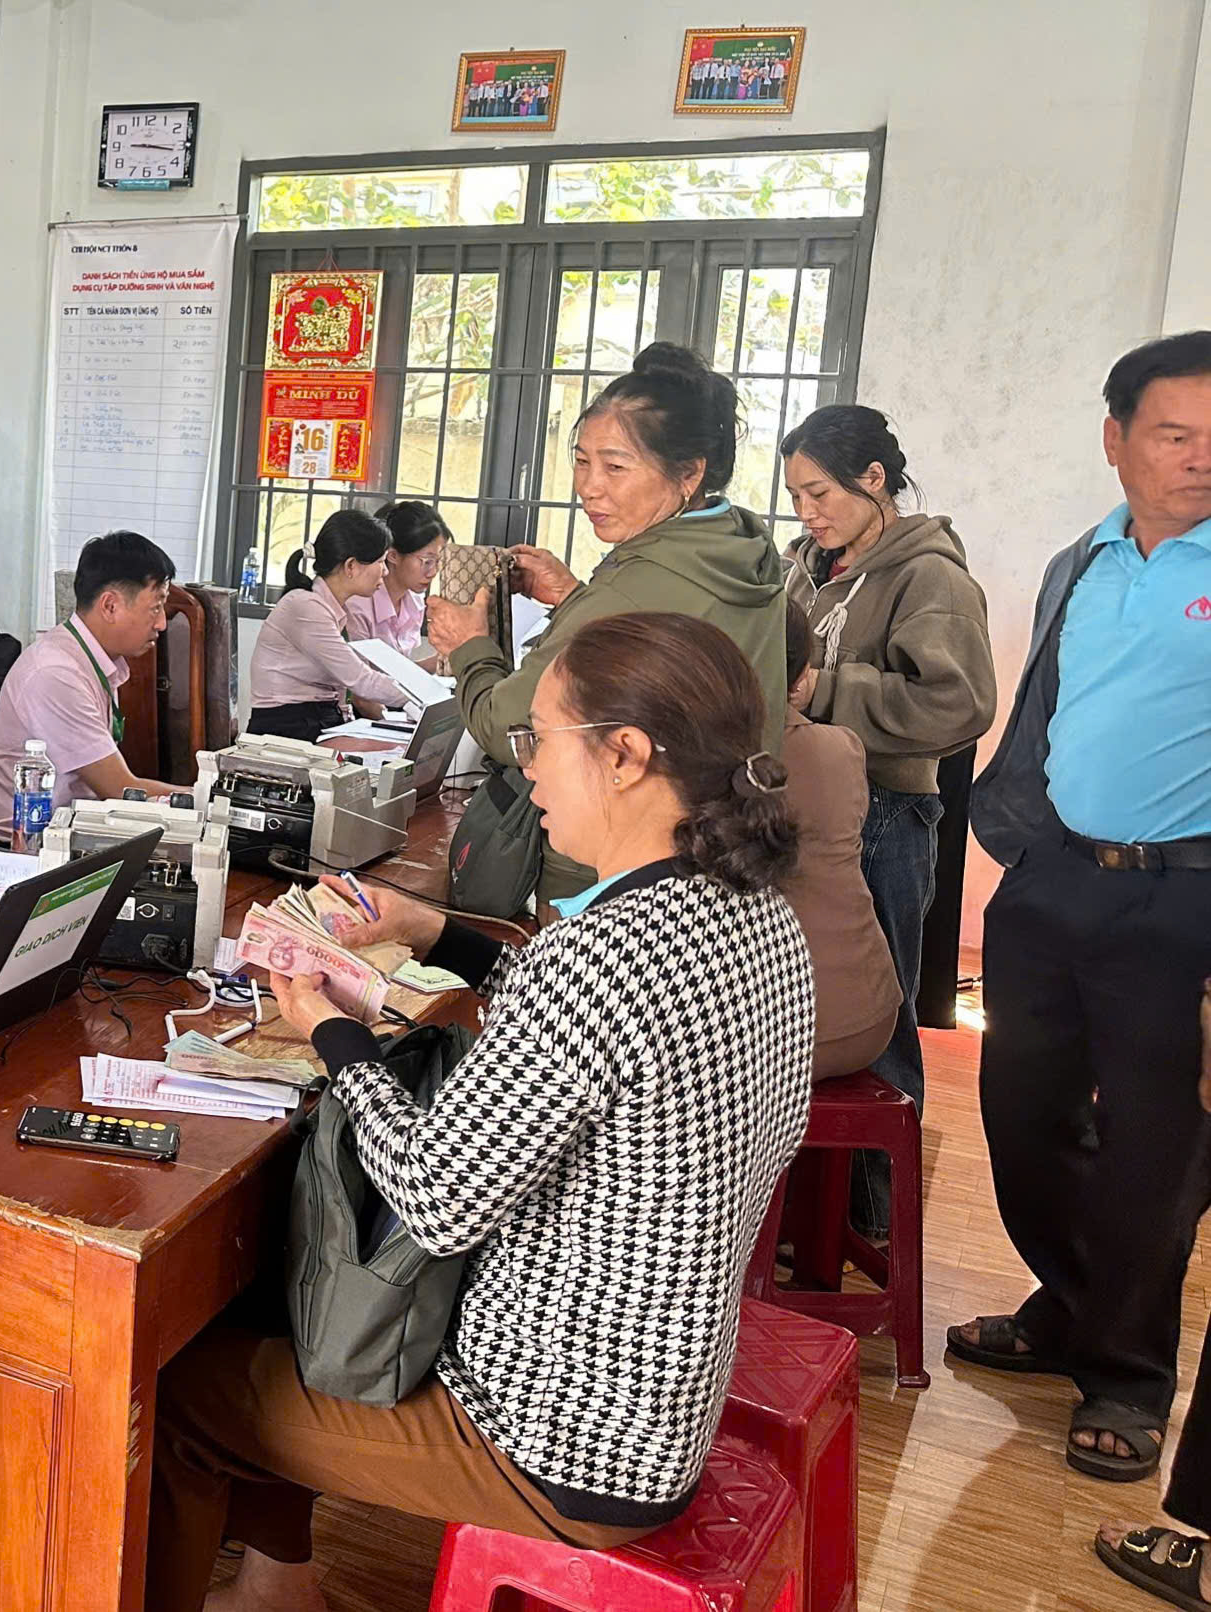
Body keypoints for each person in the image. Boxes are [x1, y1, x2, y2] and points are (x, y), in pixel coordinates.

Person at [145, 612, 813, 1612]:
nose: (526, 766)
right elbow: (584, 1031)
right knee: (287, 1296)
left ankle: (266, 1583)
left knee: (186, 1391)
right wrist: (432, 932)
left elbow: (431, 1196)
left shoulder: (607, 955)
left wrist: (330, 1030)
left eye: (540, 737)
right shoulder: (754, 914)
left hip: (561, 1436)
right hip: (657, 1393)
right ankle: (280, 1582)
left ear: (625, 755)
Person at [950, 330, 1211, 1486]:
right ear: (1116, 442)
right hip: (1053, 884)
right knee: (1021, 1109)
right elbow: (1048, 706)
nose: (1202, 459)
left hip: (1183, 899)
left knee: (1157, 1151)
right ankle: (1069, 1303)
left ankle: (1126, 1373)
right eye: (1175, 434)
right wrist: (1022, 848)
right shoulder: (1084, 559)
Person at [427, 341, 788, 900]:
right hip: (714, 856)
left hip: (616, 868)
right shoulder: (739, 547)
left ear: (689, 473)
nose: (589, 486)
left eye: (615, 466)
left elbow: (508, 729)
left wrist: (470, 645)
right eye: (581, 459)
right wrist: (576, 597)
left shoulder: (635, 582)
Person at [781, 405, 996, 1225]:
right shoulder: (805, 565)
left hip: (886, 813)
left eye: (821, 492)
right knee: (808, 1003)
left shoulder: (927, 575)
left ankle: (875, 1202)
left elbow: (960, 702)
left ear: (875, 481)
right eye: (797, 495)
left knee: (879, 1007)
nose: (807, 512)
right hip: (807, 800)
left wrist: (828, 690)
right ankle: (808, 1198)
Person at [0, 529, 179, 837]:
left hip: (70, 839)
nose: (162, 623)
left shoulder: (90, 660)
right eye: (156, 606)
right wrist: (204, 803)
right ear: (110, 606)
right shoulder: (55, 672)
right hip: (28, 852)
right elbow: (120, 789)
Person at [777, 599, 901, 1080]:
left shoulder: (696, 765)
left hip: (765, 1034)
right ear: (802, 678)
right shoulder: (841, 748)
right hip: (866, 1014)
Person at [247, 509, 410, 742]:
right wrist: (422, 697)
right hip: (286, 726)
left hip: (319, 718)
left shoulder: (332, 606)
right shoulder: (305, 606)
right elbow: (361, 680)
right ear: (351, 566)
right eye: (381, 561)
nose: (385, 571)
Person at [344, 500, 447, 663]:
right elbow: (361, 681)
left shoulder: (414, 602)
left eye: (439, 561)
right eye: (427, 561)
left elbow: (399, 674)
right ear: (393, 556)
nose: (433, 572)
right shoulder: (357, 606)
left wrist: (443, 661)